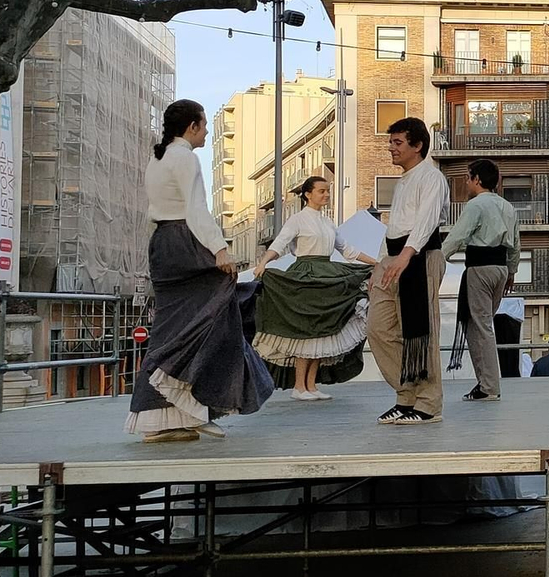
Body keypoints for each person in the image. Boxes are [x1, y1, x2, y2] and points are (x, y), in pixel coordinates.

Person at [128, 100, 273, 442]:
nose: (207, 131)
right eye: (204, 125)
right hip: (186, 241)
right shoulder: (186, 158)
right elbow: (195, 210)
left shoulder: (158, 157)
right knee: (214, 316)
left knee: (172, 327)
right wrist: (220, 249)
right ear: (192, 126)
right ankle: (199, 405)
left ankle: (171, 416)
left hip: (163, 243)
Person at [252, 176, 377, 402]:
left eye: (327, 191)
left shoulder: (327, 222)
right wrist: (263, 263)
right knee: (307, 329)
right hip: (306, 276)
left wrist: (375, 263)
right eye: (321, 191)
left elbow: (346, 249)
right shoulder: (297, 220)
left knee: (324, 328)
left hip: (326, 273)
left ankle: (311, 384)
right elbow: (279, 244)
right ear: (308, 194)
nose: (326, 195)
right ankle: (299, 385)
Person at [369, 118, 451, 425]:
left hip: (419, 256)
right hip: (395, 257)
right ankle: (406, 394)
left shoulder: (431, 177)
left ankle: (428, 403)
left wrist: (406, 255)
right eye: (391, 142)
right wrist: (380, 266)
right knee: (378, 328)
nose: (391, 147)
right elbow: (394, 227)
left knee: (420, 332)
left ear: (417, 146)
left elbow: (427, 220)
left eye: (397, 142)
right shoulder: (403, 181)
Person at [440, 158, 520, 403]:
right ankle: (486, 383)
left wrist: (436, 259)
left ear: (476, 179)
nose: (466, 182)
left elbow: (458, 235)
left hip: (480, 267)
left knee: (481, 326)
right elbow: (516, 243)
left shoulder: (476, 205)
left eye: (467, 177)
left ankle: (489, 386)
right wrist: (512, 271)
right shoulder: (508, 207)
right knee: (481, 325)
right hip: (500, 268)